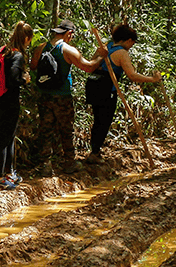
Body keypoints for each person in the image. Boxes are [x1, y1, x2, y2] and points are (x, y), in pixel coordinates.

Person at [31, 20, 103, 174]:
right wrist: (100, 57)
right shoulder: (69, 50)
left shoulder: (40, 48)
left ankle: (45, 164)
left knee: (45, 129)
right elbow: (88, 67)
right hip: (62, 96)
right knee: (66, 129)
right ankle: (69, 162)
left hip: (44, 95)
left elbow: (33, 66)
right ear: (69, 33)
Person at [85, 24, 162, 163]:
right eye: (132, 43)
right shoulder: (121, 52)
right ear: (129, 40)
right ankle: (94, 153)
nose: (131, 46)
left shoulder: (105, 47)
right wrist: (153, 79)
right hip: (105, 88)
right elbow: (132, 75)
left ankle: (95, 150)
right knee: (104, 120)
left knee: (98, 120)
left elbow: (91, 64)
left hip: (93, 85)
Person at [0, 21, 34, 189]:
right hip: (9, 101)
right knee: (4, 139)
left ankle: (9, 173)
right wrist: (25, 79)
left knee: (8, 137)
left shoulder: (3, 51)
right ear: (27, 38)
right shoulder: (17, 56)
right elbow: (12, 80)